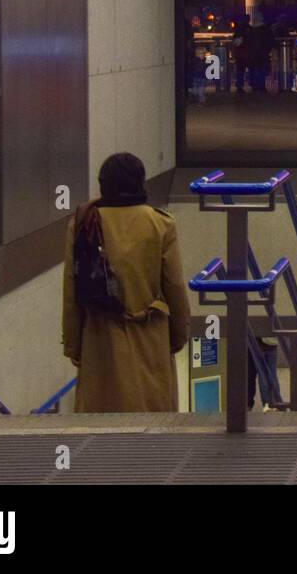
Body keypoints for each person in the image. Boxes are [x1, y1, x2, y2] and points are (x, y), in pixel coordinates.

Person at [62, 153, 191, 412]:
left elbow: (71, 290)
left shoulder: (83, 223)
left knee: (102, 423)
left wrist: (74, 345)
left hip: (100, 340)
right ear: (140, 182)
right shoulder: (160, 224)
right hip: (150, 336)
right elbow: (174, 286)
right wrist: (178, 335)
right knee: (152, 422)